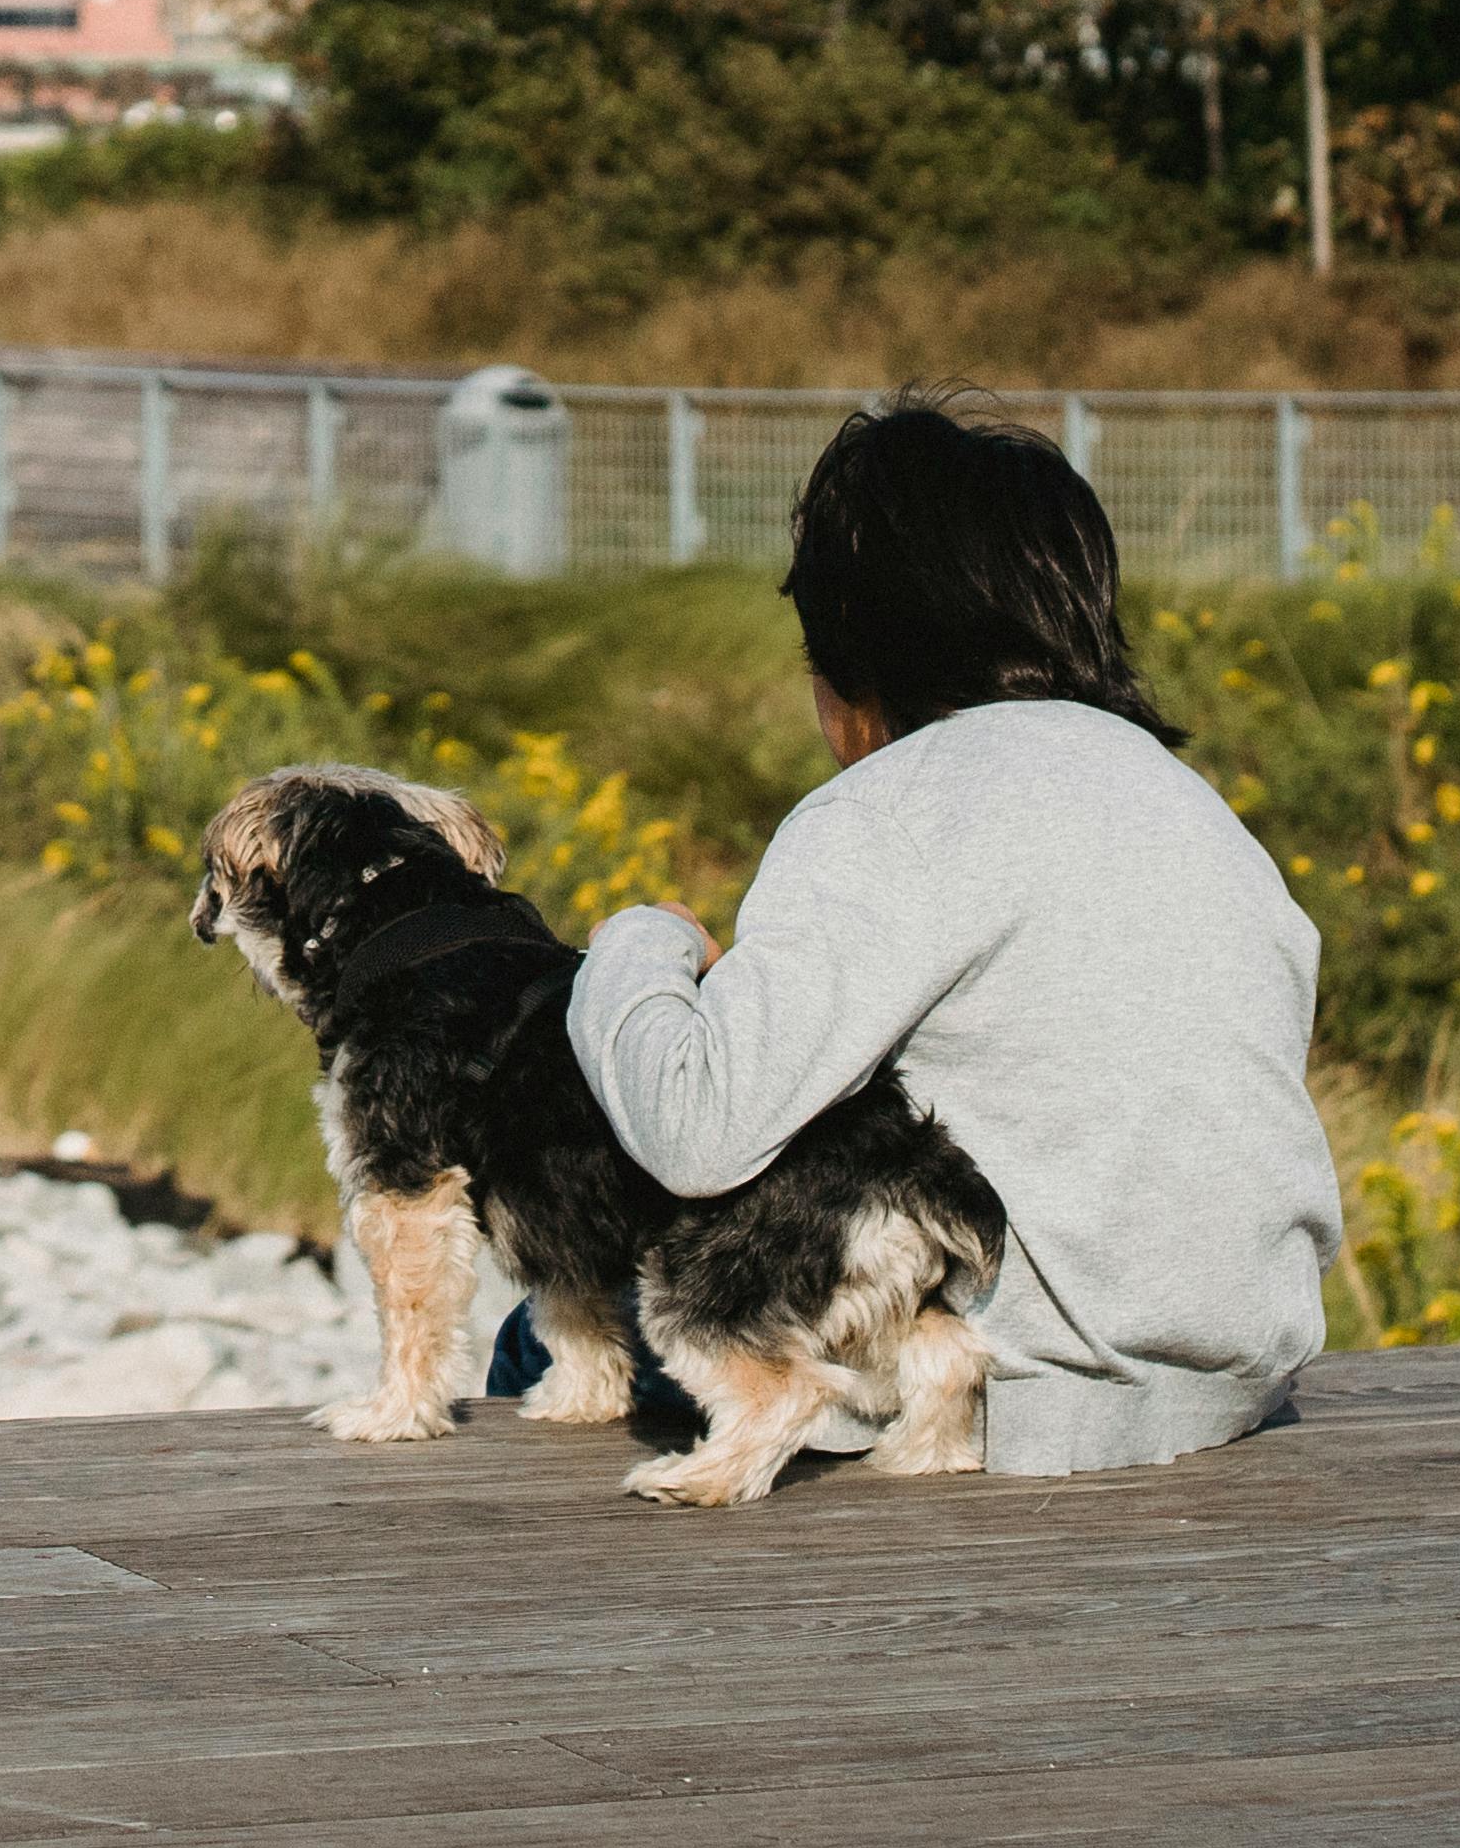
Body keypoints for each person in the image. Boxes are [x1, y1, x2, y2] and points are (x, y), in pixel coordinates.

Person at [563, 394, 1337, 1473]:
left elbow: (698, 1129)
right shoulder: (1195, 809)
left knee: (562, 1327)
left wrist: (639, 948)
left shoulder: (890, 809)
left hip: (1000, 1400)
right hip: (1233, 1386)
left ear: (852, 646)